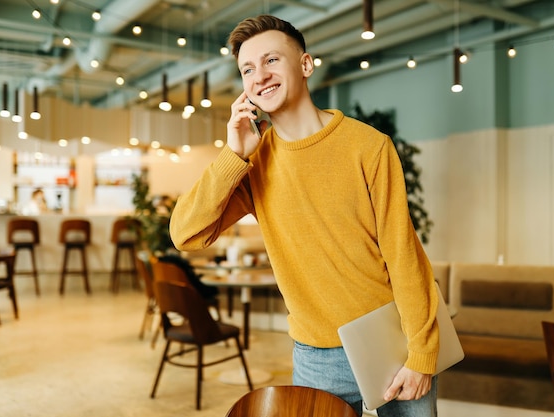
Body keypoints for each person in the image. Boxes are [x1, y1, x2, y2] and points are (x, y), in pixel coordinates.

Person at [169, 15, 440, 417]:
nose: (259, 76)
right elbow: (186, 235)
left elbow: (404, 254)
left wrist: (422, 352)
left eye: (271, 61)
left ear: (306, 65)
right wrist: (233, 154)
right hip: (316, 357)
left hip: (393, 339)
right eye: (247, 69)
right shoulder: (254, 162)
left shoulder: (369, 146)